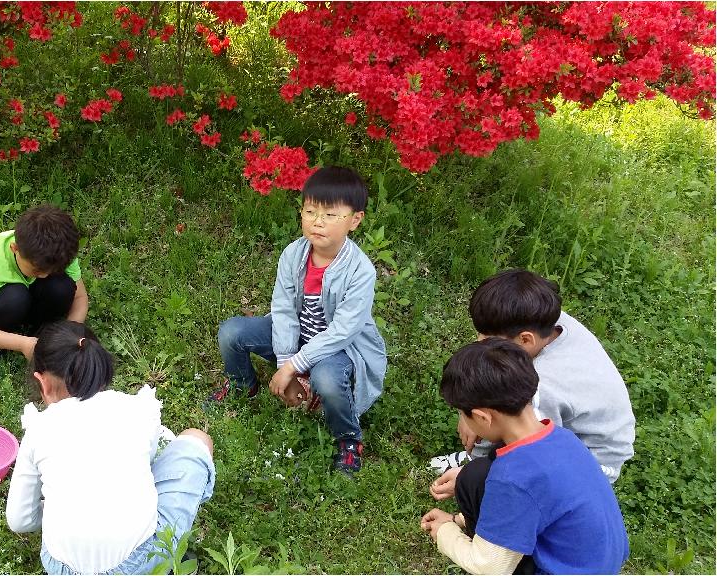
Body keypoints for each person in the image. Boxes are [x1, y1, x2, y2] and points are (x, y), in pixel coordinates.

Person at [210, 166, 387, 476]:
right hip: (296, 335)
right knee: (232, 331)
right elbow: (283, 310)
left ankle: (348, 438)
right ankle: (243, 386)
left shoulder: (360, 271)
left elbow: (342, 332)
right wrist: (284, 363)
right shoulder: (293, 254)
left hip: (338, 349)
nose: (318, 221)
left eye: (330, 215)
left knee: (327, 379)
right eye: (310, 211)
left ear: (355, 220)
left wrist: (294, 366)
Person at [5, 321, 215, 575]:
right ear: (98, 366)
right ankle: (170, 561)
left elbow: (19, 519)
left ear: (42, 382)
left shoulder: (39, 429)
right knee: (197, 439)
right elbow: (151, 462)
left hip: (62, 568)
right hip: (140, 562)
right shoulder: (137, 410)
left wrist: (56, 509)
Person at [420, 339, 629, 575]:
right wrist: (458, 519)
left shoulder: (512, 477)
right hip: (596, 564)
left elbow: (488, 567)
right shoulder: (562, 437)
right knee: (475, 475)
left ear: (482, 417)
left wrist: (445, 531)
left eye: (462, 413)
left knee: (479, 482)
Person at [429, 269, 635, 497]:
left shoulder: (543, 388)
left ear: (525, 339)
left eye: (488, 340)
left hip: (594, 464)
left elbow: (526, 444)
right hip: (588, 433)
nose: (479, 343)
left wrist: (472, 470)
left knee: (494, 474)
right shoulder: (549, 321)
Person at [0, 204, 89, 373]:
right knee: (15, 298)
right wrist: (22, 344)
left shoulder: (59, 253)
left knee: (61, 287)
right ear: (15, 249)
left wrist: (70, 331)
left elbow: (80, 298)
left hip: (24, 295)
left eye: (51, 271)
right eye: (36, 270)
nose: (43, 276)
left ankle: (41, 334)